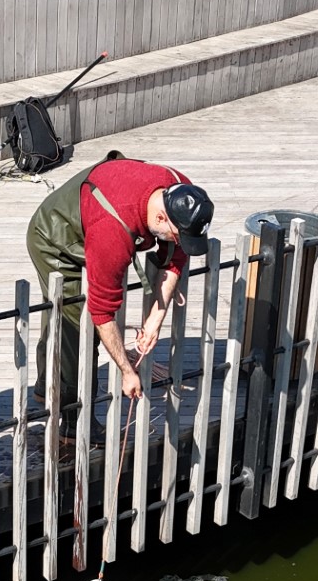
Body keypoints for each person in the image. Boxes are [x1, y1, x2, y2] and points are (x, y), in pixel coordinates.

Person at [25, 153, 214, 434]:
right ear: (160, 217)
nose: (180, 242)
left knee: (63, 321)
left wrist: (156, 318)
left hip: (98, 214)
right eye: (179, 236)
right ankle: (74, 422)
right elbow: (102, 312)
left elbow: (175, 257)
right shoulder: (112, 232)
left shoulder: (181, 190)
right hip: (55, 236)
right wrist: (127, 371)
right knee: (75, 328)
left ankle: (47, 387)